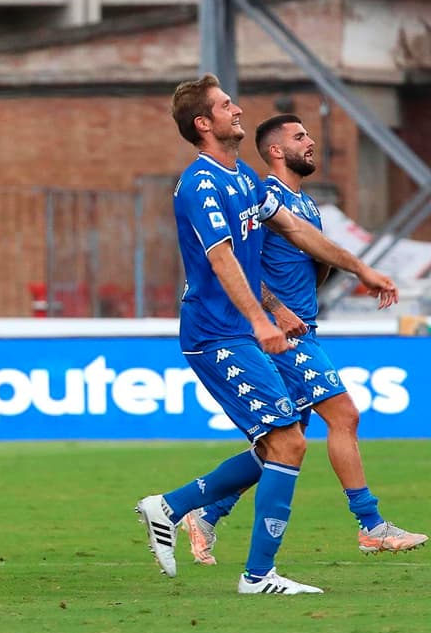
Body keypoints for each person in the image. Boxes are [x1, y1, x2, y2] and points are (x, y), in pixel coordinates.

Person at [134, 74, 398, 595]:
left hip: (241, 332)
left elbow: (297, 231)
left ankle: (174, 507)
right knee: (289, 441)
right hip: (215, 333)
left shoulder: (247, 180)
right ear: (203, 123)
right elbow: (221, 257)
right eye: (225, 105)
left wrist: (360, 269)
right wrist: (262, 318)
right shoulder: (200, 183)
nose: (237, 109)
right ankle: (256, 573)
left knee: (281, 442)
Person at [177, 113, 427, 564]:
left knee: (280, 445)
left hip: (304, 328)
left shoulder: (306, 205)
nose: (310, 141)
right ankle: (370, 525)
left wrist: (348, 272)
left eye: (308, 134)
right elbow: (243, 265)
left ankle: (206, 512)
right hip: (281, 336)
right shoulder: (265, 196)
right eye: (299, 136)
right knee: (344, 416)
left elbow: (315, 261)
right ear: (276, 150)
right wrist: (274, 310)